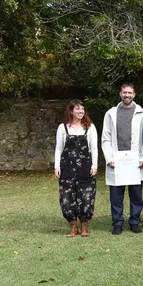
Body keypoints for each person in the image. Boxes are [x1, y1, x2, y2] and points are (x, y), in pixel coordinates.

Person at [101, 83, 143, 235]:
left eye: (130, 93)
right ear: (120, 94)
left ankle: (134, 221)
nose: (127, 95)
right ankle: (118, 223)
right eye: (124, 92)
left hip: (135, 162)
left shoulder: (142, 113)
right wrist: (109, 159)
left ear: (134, 94)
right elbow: (106, 138)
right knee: (116, 196)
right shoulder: (111, 113)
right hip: (117, 161)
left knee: (136, 195)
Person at [54, 99, 98, 238]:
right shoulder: (63, 127)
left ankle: (84, 226)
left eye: (82, 109)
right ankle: (73, 226)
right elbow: (58, 148)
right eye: (78, 109)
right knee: (67, 199)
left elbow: (94, 148)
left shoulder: (90, 127)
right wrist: (57, 166)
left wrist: (94, 165)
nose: (81, 111)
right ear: (71, 111)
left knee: (86, 198)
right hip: (66, 168)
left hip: (86, 168)